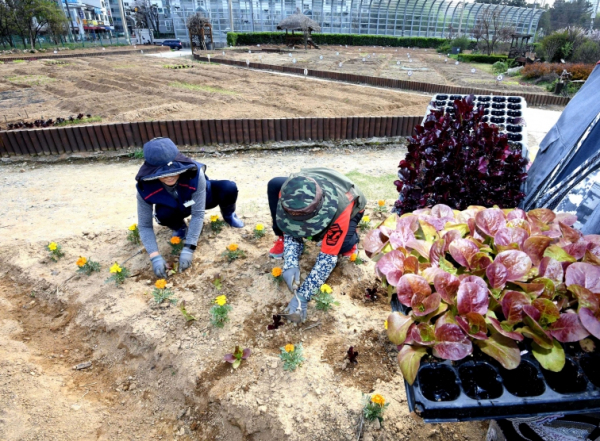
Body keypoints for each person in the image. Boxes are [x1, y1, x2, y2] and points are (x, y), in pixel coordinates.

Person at [267, 168, 367, 323]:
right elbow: (289, 227)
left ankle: (351, 241)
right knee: (274, 185)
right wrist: (291, 262)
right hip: (317, 188)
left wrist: (303, 296)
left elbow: (327, 259)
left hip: (352, 206)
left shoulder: (340, 208)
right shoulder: (288, 194)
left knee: (341, 245)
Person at [135, 137, 244, 277]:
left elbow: (198, 214)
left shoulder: (194, 173)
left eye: (174, 171)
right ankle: (180, 228)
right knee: (162, 215)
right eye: (162, 175)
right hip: (174, 208)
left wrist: (189, 248)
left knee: (228, 187)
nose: (170, 177)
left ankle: (229, 214)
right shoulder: (145, 187)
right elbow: (144, 226)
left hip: (204, 199)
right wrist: (155, 257)